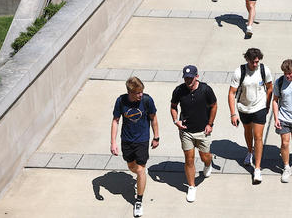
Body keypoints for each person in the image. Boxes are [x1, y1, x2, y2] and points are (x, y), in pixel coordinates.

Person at [111, 77, 160, 217]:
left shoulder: (147, 100)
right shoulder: (121, 101)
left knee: (140, 170)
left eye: (142, 92)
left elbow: (153, 118)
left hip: (142, 140)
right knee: (132, 167)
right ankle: (138, 176)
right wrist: (113, 142)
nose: (141, 95)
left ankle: (138, 201)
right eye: (138, 93)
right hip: (127, 139)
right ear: (130, 92)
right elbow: (115, 121)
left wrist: (156, 136)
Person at [170, 65, 218, 203]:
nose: (188, 81)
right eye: (186, 78)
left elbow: (214, 105)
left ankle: (208, 164)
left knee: (205, 157)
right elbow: (173, 106)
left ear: (197, 76)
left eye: (190, 78)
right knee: (189, 159)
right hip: (186, 131)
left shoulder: (206, 90)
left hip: (203, 131)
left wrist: (210, 124)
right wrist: (176, 121)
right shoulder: (179, 90)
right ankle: (191, 186)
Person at [228, 48, 273, 184]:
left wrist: (267, 105)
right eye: (253, 62)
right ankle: (249, 151)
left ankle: (257, 169)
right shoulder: (239, 72)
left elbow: (270, 87)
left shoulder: (264, 70)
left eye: (257, 62)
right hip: (244, 108)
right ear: (247, 60)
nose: (255, 65)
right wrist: (233, 114)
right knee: (248, 131)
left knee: (258, 136)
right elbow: (231, 93)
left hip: (259, 107)